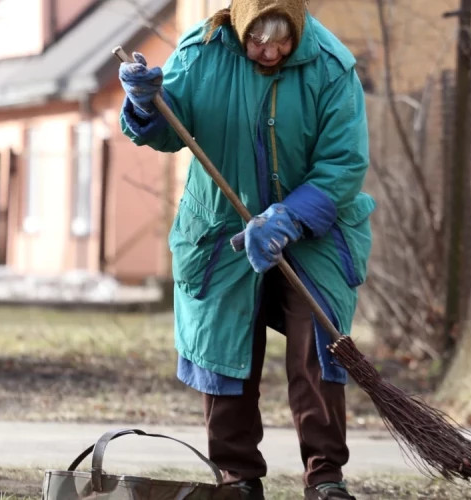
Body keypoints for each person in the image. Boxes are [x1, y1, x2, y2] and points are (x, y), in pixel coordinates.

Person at [119, 1, 373, 499]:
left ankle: (326, 478)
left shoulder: (331, 67)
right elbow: (171, 130)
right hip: (221, 229)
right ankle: (237, 479)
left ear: (298, 28)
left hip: (315, 230)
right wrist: (147, 105)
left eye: (282, 41)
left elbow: (345, 162)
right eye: (258, 40)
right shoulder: (203, 53)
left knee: (318, 348)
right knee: (224, 349)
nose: (269, 52)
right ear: (240, 27)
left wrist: (290, 217)